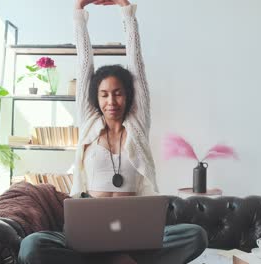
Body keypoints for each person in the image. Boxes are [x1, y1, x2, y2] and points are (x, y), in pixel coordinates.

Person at [18, 1, 208, 263]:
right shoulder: (89, 122)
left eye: (118, 94)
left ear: (128, 96)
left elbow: (136, 65)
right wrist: (79, 13)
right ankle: (119, 259)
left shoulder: (137, 124)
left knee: (196, 235)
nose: (111, 101)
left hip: (134, 229)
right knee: (32, 246)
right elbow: (84, 66)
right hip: (89, 230)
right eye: (104, 95)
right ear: (96, 99)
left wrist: (125, 9)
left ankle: (115, 258)